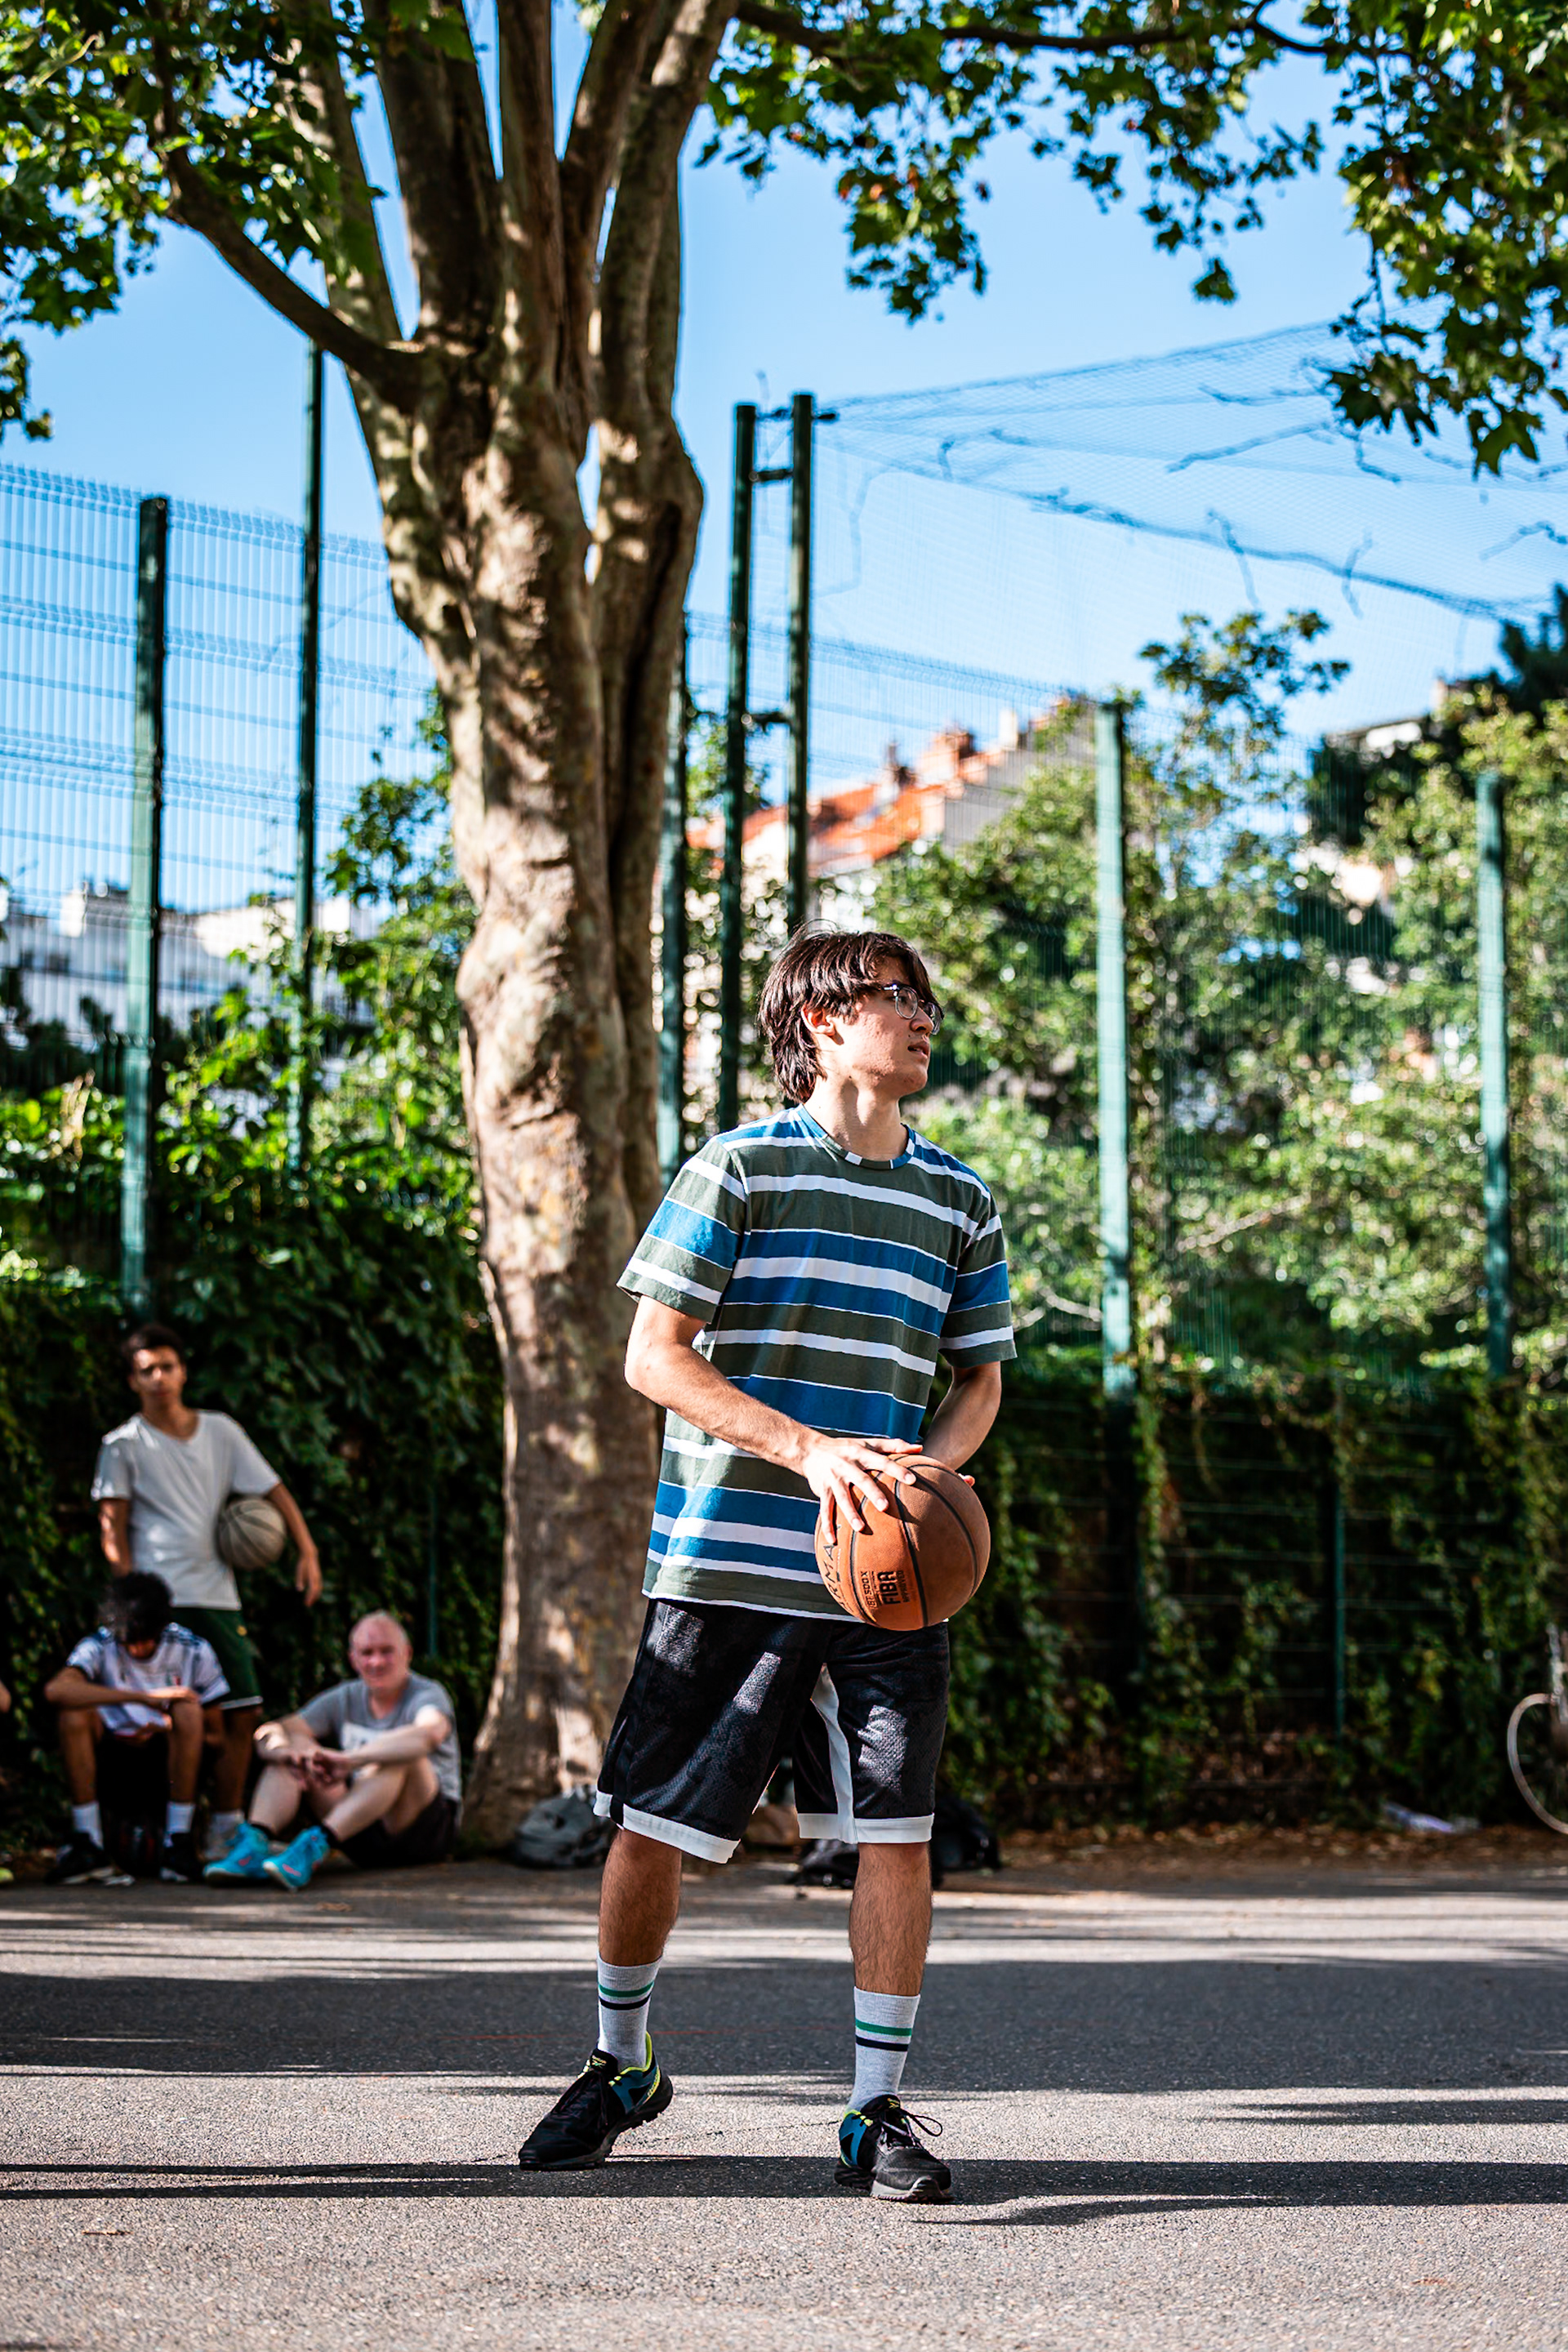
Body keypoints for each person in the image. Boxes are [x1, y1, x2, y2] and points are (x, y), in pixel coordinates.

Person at [518, 929, 1013, 2203]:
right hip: (727, 1557)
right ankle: (620, 2064)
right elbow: (654, 1356)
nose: (924, 1016)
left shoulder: (960, 1198)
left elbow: (980, 1380)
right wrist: (811, 1453)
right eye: (897, 996)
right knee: (649, 1825)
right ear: (824, 1021)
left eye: (925, 997)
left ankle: (873, 2110)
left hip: (884, 1577)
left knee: (897, 1832)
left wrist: (924, 1477)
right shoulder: (736, 1167)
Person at [92, 1323, 323, 1865]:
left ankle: (226, 1827)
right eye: (147, 1370)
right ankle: (161, 1834)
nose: (159, 1378)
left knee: (243, 1711)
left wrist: (307, 1550)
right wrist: (130, 1600)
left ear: (183, 1372)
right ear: (132, 1381)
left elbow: (274, 1490)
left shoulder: (221, 1432)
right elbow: (112, 1526)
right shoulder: (121, 1445)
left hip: (217, 1596)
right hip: (158, 1600)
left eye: (167, 1366)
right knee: (160, 1720)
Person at [205, 1612, 461, 1890]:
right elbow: (276, 1729)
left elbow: (429, 1733)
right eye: (367, 1653)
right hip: (359, 1828)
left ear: (407, 1653)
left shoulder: (427, 1694)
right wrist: (292, 1751)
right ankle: (254, 1845)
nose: (376, 1662)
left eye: (386, 1651)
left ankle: (315, 1842)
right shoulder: (346, 1696)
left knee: (401, 1755)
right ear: (353, 1659)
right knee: (294, 1752)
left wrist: (352, 1760)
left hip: (422, 1833)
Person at [42, 1570, 230, 1884]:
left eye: (147, 1641)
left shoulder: (194, 1650)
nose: (138, 1649)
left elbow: (217, 1739)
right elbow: (56, 1691)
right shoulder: (100, 1644)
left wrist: (168, 1728)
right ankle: (88, 1842)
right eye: (130, 1642)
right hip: (113, 1760)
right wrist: (143, 1698)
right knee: (73, 1715)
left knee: (187, 1708)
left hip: (169, 1764)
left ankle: (178, 1841)